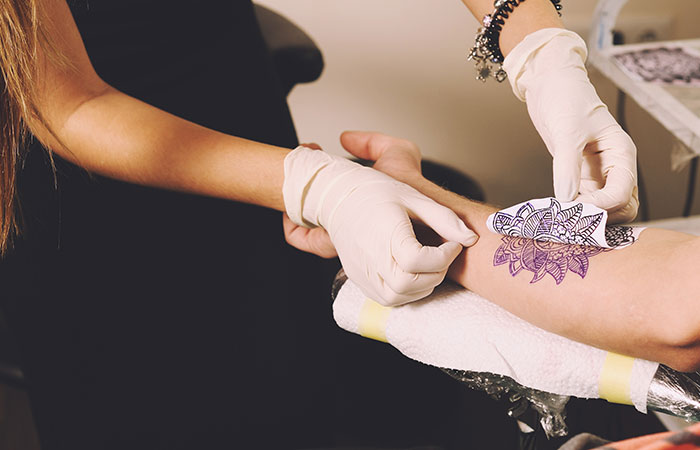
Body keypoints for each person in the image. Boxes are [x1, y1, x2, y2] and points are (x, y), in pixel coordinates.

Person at [0, 0, 639, 448]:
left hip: (221, 74)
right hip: (76, 174)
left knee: (279, 389)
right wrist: (320, 186)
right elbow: (70, 104)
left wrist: (541, 49)